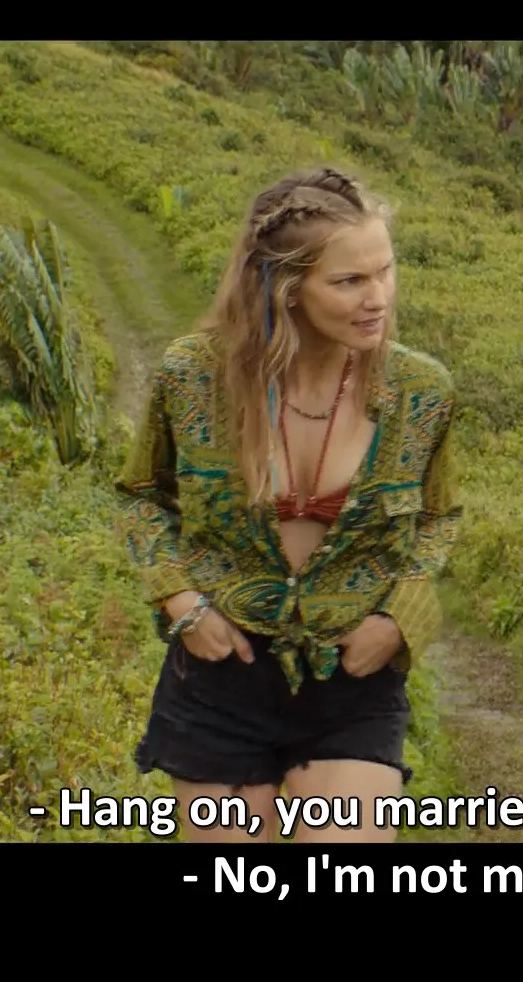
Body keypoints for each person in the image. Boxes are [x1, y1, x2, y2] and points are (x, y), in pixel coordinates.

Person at [116, 167, 461, 844]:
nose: (378, 298)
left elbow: (437, 516)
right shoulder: (192, 376)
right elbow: (141, 496)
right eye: (350, 281)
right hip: (224, 675)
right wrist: (180, 602)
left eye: (385, 272)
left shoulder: (422, 391)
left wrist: (401, 618)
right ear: (286, 287)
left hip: (351, 682)